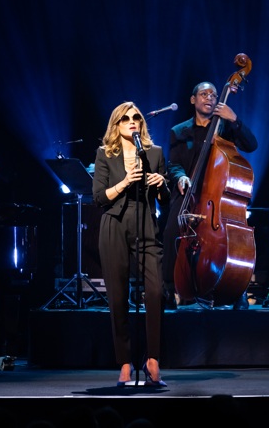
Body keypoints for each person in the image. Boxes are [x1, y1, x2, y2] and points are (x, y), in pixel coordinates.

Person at [92, 102, 170, 386]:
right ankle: (125, 362)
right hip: (114, 224)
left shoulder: (155, 152)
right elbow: (99, 197)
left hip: (146, 223)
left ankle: (153, 359)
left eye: (136, 117)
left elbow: (166, 202)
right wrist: (125, 182)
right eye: (125, 119)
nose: (132, 121)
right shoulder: (105, 154)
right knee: (117, 297)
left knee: (155, 291)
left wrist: (162, 185)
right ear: (116, 124)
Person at [163, 81, 258, 308]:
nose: (209, 98)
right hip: (189, 194)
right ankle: (169, 289)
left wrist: (234, 119)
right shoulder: (179, 131)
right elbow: (173, 164)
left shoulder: (226, 128)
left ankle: (236, 289)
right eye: (204, 94)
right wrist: (180, 177)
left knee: (230, 239)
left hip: (217, 197)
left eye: (214, 95)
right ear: (193, 99)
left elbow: (251, 145)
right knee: (171, 233)